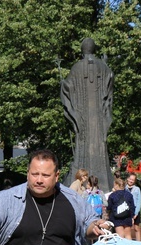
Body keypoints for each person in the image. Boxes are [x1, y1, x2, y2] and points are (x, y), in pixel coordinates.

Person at [61, 38, 114, 191]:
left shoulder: (76, 67)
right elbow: (110, 81)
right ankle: (104, 182)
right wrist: (105, 64)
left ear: (82, 50)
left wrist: (62, 84)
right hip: (98, 119)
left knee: (83, 143)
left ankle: (83, 178)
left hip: (83, 119)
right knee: (98, 143)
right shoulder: (103, 67)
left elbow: (68, 87)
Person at [126, 173, 141, 241]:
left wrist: (136, 213)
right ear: (127, 179)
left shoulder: (137, 189)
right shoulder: (124, 188)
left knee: (136, 228)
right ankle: (128, 242)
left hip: (135, 210)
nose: (131, 181)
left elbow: (139, 201)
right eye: (130, 179)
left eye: (133, 180)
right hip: (127, 210)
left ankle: (138, 242)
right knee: (128, 228)